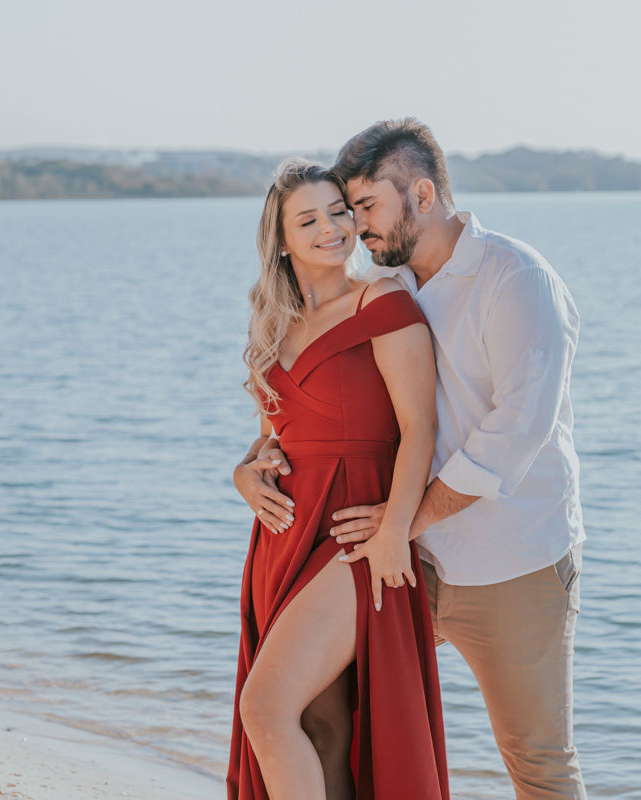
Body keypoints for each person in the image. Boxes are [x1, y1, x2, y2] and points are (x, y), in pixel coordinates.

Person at [246, 120, 588, 799]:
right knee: (331, 716)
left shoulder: (514, 278)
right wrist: (254, 460)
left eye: (365, 206)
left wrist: (402, 522)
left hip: (508, 562)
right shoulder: (388, 284)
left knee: (537, 761)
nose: (354, 227)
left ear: (423, 194)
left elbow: (515, 433)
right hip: (405, 559)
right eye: (347, 208)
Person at [227, 158, 451, 800]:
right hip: (282, 540)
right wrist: (244, 474)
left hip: (354, 535)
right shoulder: (273, 323)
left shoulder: (382, 300)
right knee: (320, 725)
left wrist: (394, 534)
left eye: (338, 211)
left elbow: (420, 429)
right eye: (309, 219)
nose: (332, 228)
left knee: (264, 708)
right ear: (282, 237)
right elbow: (277, 433)